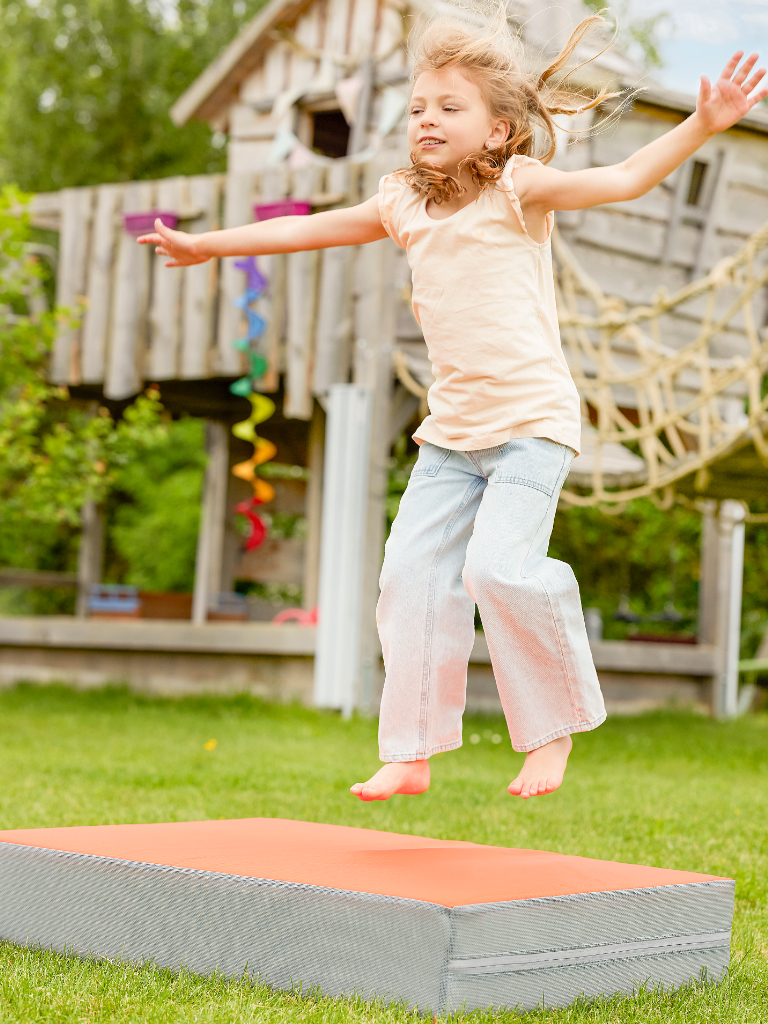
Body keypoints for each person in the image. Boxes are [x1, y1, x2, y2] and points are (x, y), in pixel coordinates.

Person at [139, 7, 766, 803]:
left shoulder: (518, 190)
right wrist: (206, 246)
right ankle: (412, 751)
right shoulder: (401, 202)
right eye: (418, 108)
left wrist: (704, 126)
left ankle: (551, 729)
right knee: (406, 576)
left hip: (531, 429)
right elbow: (311, 230)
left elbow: (620, 181)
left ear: (500, 131)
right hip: (450, 438)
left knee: (498, 570)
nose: (426, 119)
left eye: (449, 107)